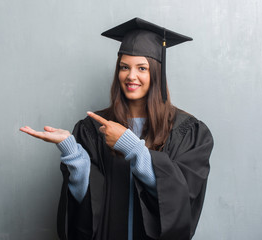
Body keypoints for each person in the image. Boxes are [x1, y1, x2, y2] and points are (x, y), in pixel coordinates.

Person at [20, 17, 214, 240]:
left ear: (157, 73)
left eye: (142, 68)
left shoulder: (189, 132)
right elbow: (86, 203)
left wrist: (132, 147)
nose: (131, 76)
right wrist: (73, 153)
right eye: (124, 67)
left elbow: (181, 197)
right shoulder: (93, 128)